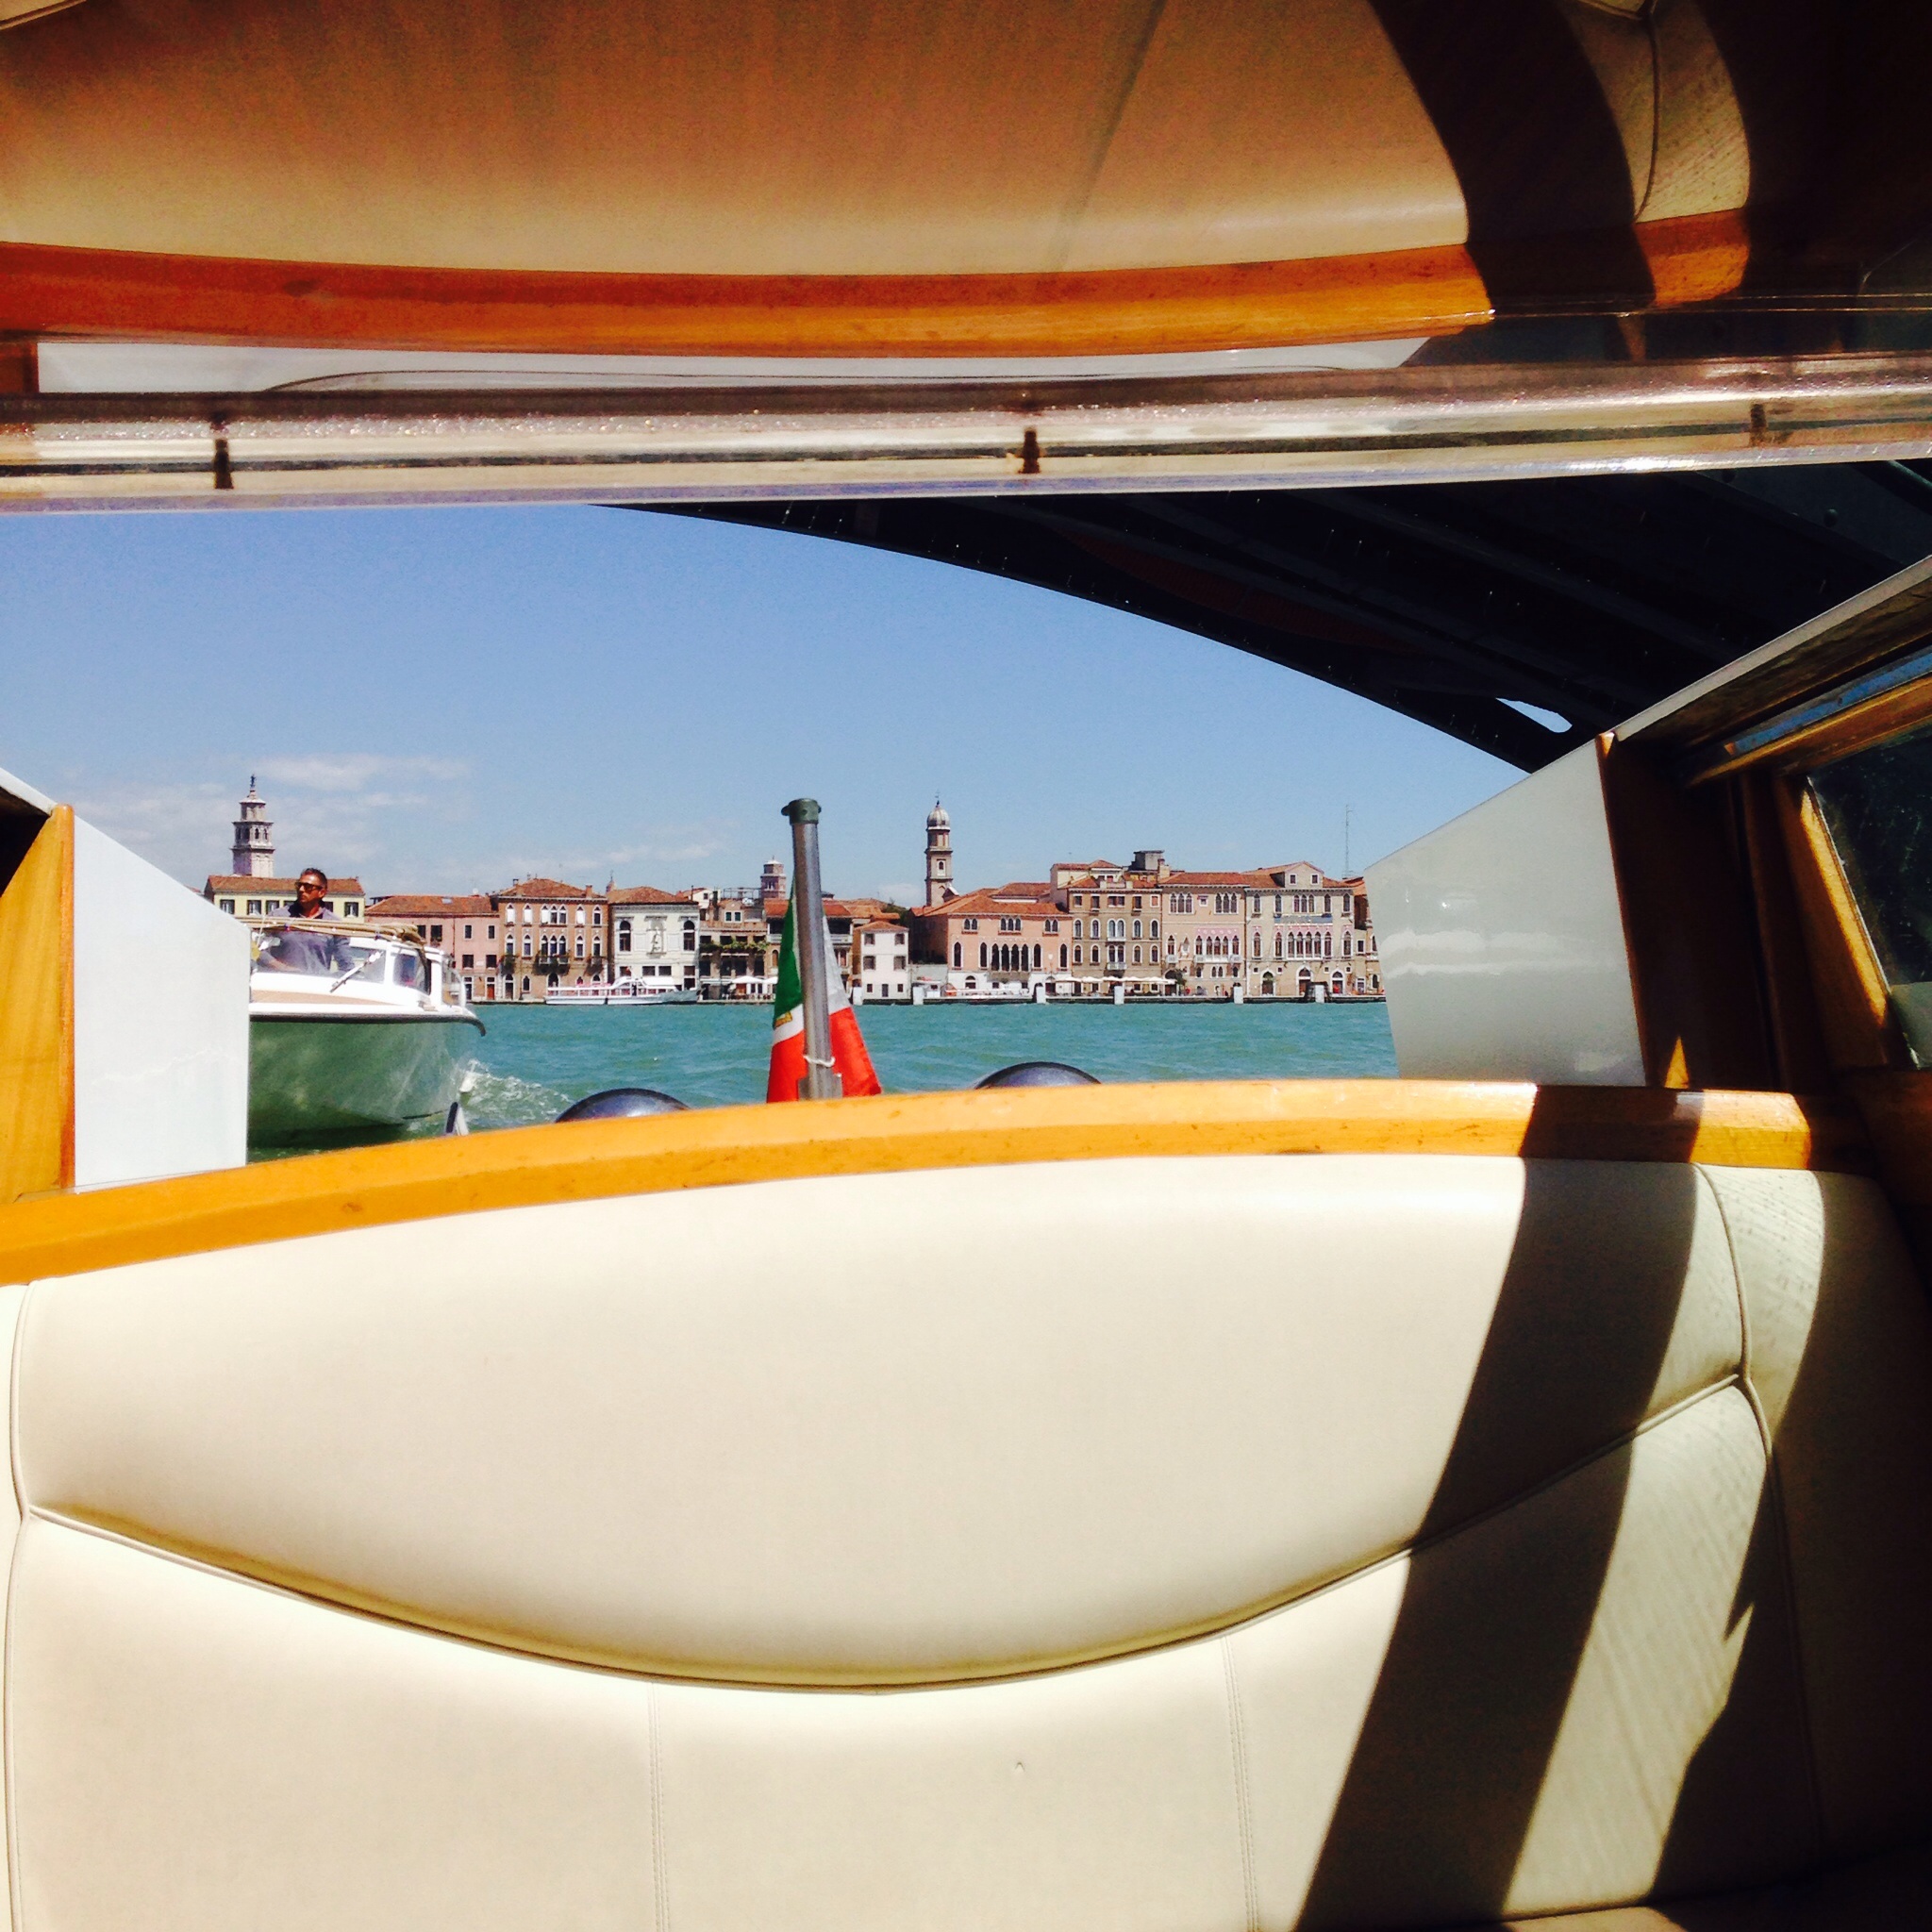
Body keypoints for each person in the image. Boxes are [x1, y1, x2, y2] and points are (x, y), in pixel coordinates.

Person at [258, 868, 353, 975]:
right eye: (299, 885)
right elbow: (256, 949)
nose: (301, 890)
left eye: (308, 887)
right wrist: (280, 967)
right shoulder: (278, 917)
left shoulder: (334, 925)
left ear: (321, 892)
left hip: (315, 986)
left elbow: (346, 964)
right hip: (280, 984)